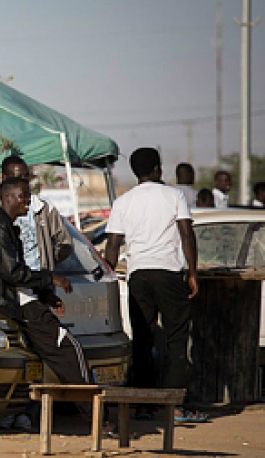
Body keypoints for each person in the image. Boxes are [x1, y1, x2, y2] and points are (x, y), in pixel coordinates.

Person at [0, 177, 90, 431]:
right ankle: (97, 418)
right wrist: (50, 279)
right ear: (8, 198)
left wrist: (45, 294)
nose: (27, 201)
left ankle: (18, 414)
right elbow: (13, 273)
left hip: (17, 300)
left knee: (38, 358)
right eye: (23, 196)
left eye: (28, 195)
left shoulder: (6, 226)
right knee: (69, 348)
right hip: (11, 303)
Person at [104, 147, 207, 423]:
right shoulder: (174, 196)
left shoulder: (123, 202)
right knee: (176, 339)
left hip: (138, 275)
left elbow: (113, 244)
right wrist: (193, 272)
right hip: (168, 273)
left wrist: (108, 274)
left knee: (142, 340)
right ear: (157, 169)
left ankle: (143, 406)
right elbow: (186, 234)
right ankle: (174, 405)